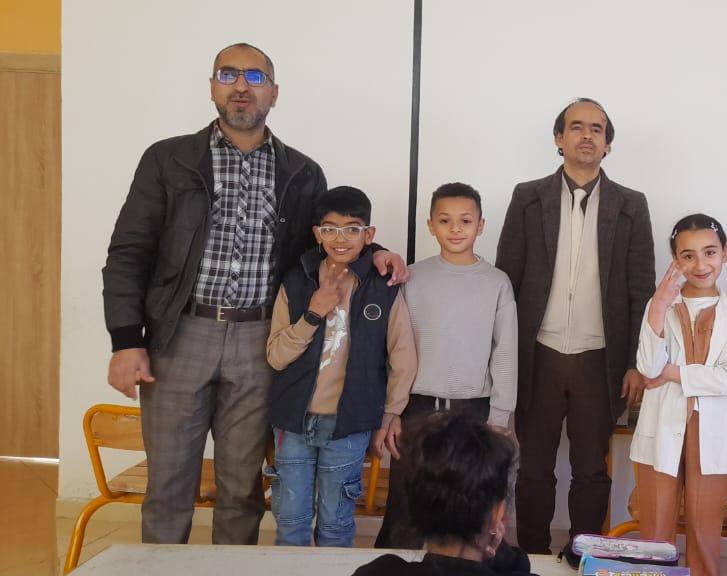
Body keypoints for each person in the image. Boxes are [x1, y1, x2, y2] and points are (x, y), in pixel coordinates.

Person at [101, 42, 407, 544]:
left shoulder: (302, 172)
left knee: (243, 487)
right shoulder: (167, 159)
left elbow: (325, 243)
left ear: (274, 93)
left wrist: (376, 252)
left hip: (261, 340)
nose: (241, 85)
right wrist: (125, 339)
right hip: (179, 336)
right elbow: (129, 251)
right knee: (169, 486)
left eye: (255, 76)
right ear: (212, 86)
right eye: (228, 74)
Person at [495, 98, 655, 555]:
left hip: (600, 358)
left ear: (608, 144)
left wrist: (635, 362)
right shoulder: (528, 197)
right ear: (559, 138)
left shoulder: (631, 205)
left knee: (591, 469)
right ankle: (532, 555)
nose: (587, 135)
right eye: (577, 127)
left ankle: (584, 554)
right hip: (538, 353)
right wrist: (502, 358)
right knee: (533, 468)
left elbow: (640, 290)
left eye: (597, 129)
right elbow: (507, 280)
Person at [264, 186, 416, 546]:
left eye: (352, 229)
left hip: (349, 424)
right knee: (291, 522)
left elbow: (403, 355)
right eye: (330, 229)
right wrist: (313, 313)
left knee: (336, 524)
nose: (340, 238)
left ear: (369, 234)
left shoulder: (383, 285)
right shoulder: (296, 280)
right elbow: (276, 355)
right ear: (317, 233)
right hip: (293, 421)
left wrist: (391, 412)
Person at [376, 182, 518, 548]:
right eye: (445, 220)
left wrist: (499, 417)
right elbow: (395, 350)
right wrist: (393, 411)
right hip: (418, 409)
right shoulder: (410, 278)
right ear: (430, 225)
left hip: (474, 410)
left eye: (465, 220)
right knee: (406, 506)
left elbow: (505, 352)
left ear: (481, 226)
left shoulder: (497, 283)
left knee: (471, 506)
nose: (455, 229)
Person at [632, 214, 727, 576]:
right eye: (688, 255)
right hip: (662, 426)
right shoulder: (660, 305)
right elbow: (647, 367)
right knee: (655, 534)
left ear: (725, 252)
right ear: (675, 259)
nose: (700, 264)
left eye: (710, 252)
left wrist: (671, 373)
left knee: (705, 534)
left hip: (711, 433)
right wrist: (658, 306)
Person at [354, 412, 529, 576]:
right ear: (497, 514)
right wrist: (498, 552)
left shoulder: (376, 572)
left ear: (414, 506)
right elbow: (521, 567)